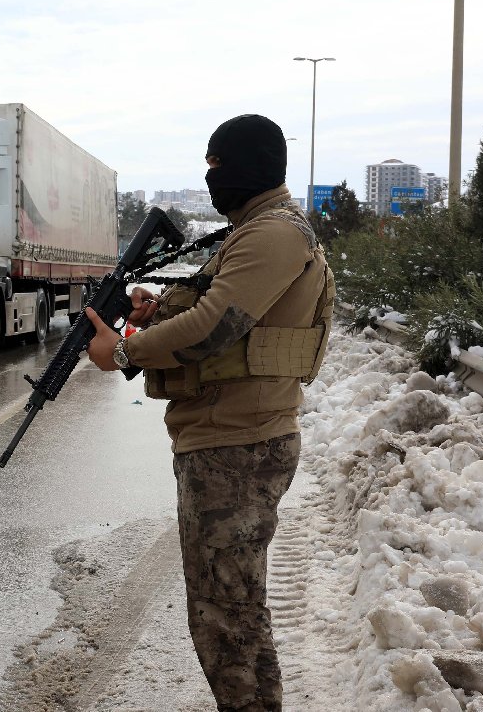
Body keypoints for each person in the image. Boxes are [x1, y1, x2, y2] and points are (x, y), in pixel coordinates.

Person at [84, 114, 334, 712]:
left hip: (237, 444)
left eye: (218, 163)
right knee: (228, 607)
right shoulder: (257, 232)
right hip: (227, 437)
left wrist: (122, 351)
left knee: (227, 615)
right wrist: (157, 312)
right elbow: (220, 311)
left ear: (250, 163)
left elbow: (215, 326)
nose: (210, 176)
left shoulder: (273, 233)